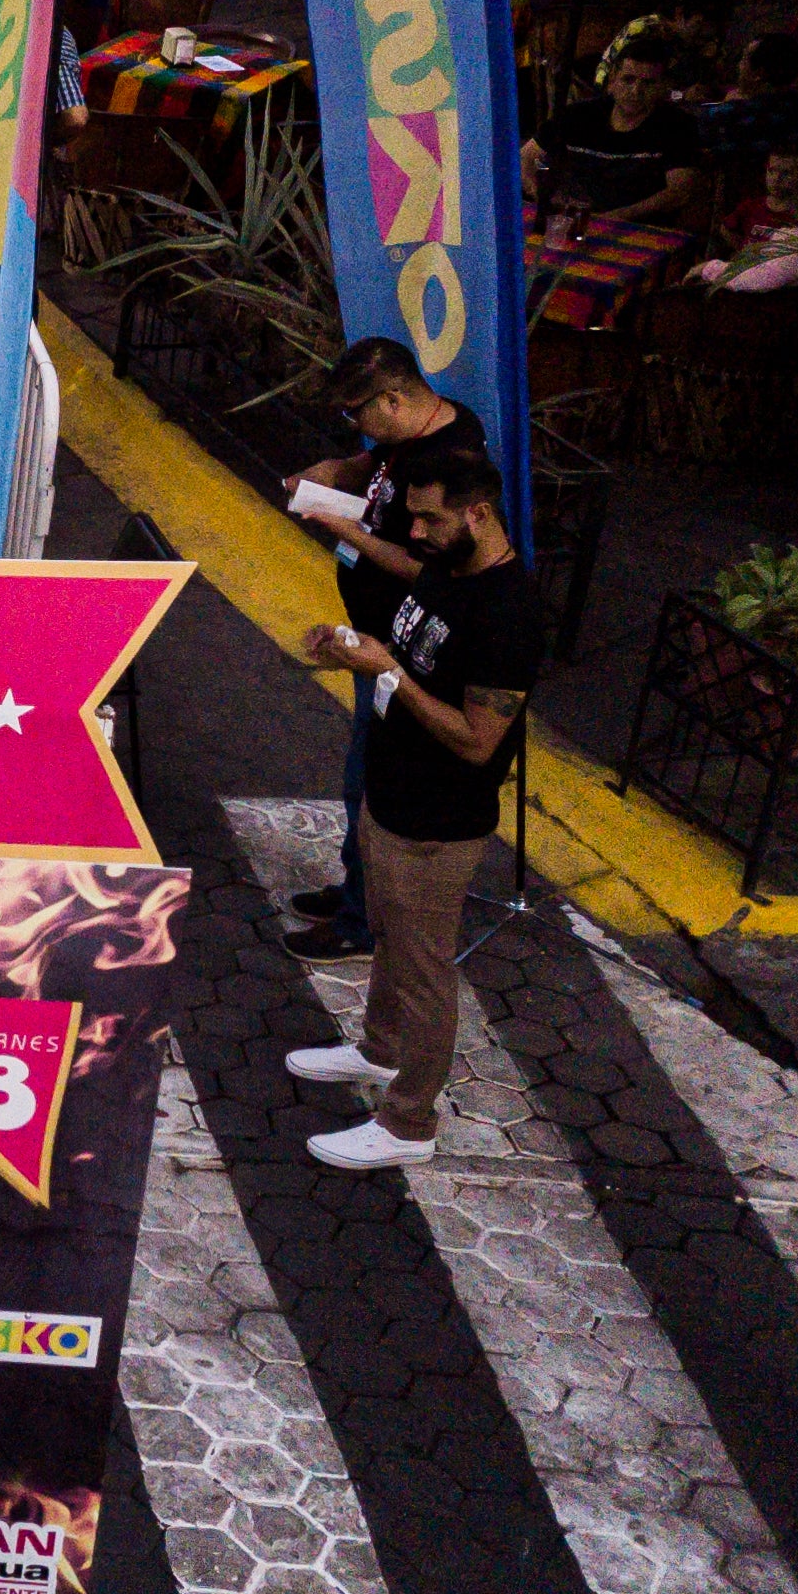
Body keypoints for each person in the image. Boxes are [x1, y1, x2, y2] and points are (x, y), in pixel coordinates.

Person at [286, 445, 543, 1172]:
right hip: (390, 795)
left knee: (424, 968)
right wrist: (349, 651)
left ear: (478, 513)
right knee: (393, 942)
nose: (418, 532)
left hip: (438, 820)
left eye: (430, 520)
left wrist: (387, 671)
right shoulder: (449, 571)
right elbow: (406, 650)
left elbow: (476, 739)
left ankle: (408, 1122)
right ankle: (378, 1051)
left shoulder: (508, 614)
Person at [274, 337, 483, 969]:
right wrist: (333, 472)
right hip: (374, 635)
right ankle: (354, 891)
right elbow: (372, 466)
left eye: (357, 413)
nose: (356, 427)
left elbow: (427, 572)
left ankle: (362, 921)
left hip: (402, 646)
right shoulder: (408, 436)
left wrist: (343, 528)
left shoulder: (449, 457)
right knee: (360, 777)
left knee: (369, 782)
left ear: (393, 398)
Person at [519, 33, 708, 228]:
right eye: (628, 80)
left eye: (648, 83)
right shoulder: (578, 114)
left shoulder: (676, 125)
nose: (636, 91)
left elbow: (680, 191)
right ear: (612, 81)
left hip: (637, 230)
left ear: (663, 86)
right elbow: (525, 157)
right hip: (571, 222)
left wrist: (615, 217)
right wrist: (541, 197)